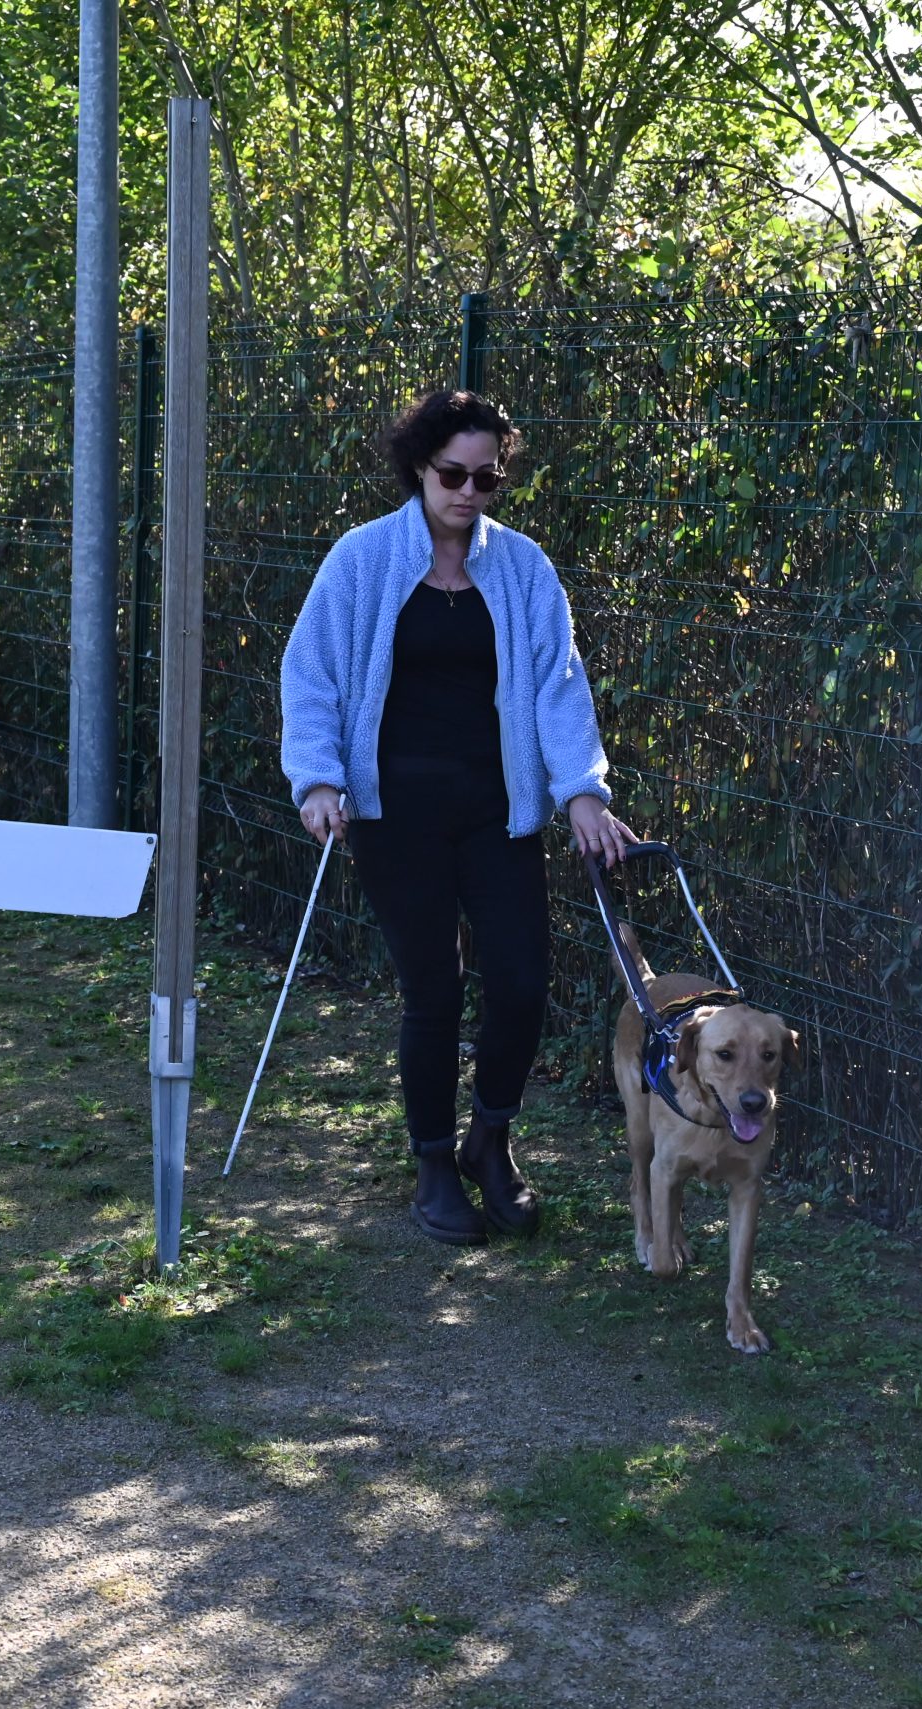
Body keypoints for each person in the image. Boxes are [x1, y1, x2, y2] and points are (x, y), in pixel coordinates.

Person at [280, 389, 634, 1245]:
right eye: (453, 474)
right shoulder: (362, 560)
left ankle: (490, 1140)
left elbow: (559, 685)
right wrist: (317, 780)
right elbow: (311, 673)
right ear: (419, 467)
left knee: (521, 980)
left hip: (498, 813)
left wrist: (582, 790)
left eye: (487, 478)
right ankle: (435, 1162)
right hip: (394, 814)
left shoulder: (524, 568)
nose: (469, 491)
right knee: (433, 988)